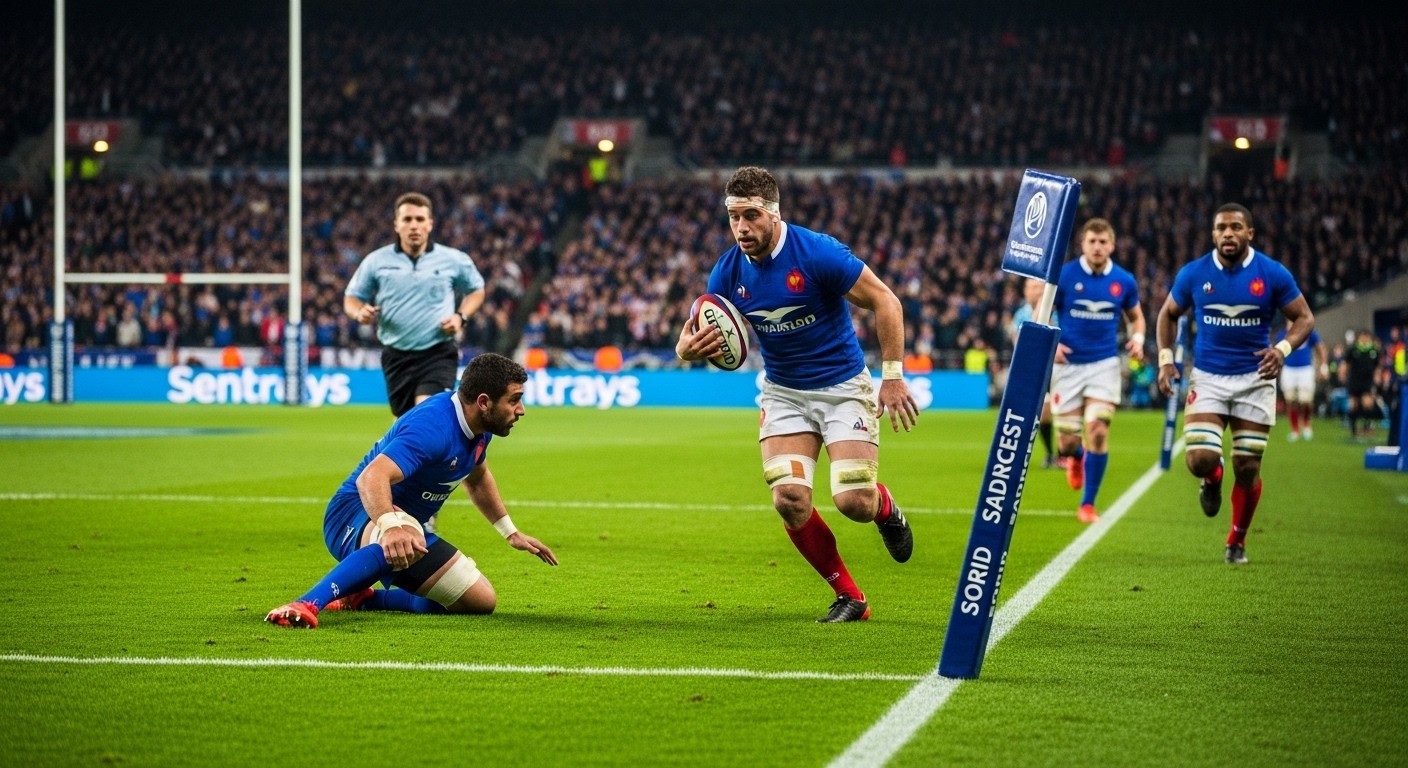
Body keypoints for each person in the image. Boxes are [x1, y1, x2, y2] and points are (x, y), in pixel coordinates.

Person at [675, 166, 919, 624]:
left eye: (751, 216)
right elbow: (712, 336)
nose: (741, 228)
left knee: (853, 502)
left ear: (774, 212)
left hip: (842, 387)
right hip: (783, 392)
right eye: (733, 217)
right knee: (788, 497)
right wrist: (685, 351)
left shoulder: (818, 253)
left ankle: (884, 508)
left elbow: (886, 300)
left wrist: (892, 377)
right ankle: (850, 597)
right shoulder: (727, 272)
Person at [266, 353, 557, 629]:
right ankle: (306, 603)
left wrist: (510, 532)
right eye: (514, 400)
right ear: (483, 402)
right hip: (353, 513)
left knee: (479, 600)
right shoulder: (433, 427)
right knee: (408, 533)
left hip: (404, 524)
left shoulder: (479, 427)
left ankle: (364, 599)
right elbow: (371, 478)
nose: (521, 410)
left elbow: (478, 478)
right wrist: (390, 526)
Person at [1156, 203, 1315, 565]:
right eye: (1221, 228)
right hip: (1209, 377)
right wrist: (1165, 360)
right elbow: (1168, 314)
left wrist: (1282, 349)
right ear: (1213, 234)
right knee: (1199, 459)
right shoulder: (1194, 274)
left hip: (1255, 379)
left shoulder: (1272, 273)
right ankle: (1213, 477)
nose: (1228, 233)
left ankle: (1236, 541)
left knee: (1247, 468)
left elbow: (1304, 318)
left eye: (1236, 227)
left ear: (1250, 233)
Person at [345, 191, 487, 417]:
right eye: (407, 219)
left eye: (420, 219)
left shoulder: (453, 259)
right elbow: (351, 297)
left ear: (430, 224)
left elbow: (476, 290)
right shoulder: (376, 261)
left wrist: (460, 317)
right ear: (396, 224)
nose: (414, 225)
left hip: (437, 352)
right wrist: (359, 312)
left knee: (426, 415)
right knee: (405, 423)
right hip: (396, 355)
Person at [1051, 218, 1146, 524]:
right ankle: (1077, 456)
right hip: (1068, 366)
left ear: (1112, 245)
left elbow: (1136, 317)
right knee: (1066, 443)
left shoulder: (1124, 280)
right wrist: (1051, 342)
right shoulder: (1065, 275)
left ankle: (1088, 504)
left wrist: (1137, 339)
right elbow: (1044, 311)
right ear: (1083, 243)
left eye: (1103, 242)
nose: (1097, 247)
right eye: (1092, 241)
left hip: (1104, 364)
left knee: (1098, 429)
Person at [1011, 276, 1059, 469]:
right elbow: (1018, 341)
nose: (1037, 291)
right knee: (1042, 414)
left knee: (1061, 413)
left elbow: (1054, 334)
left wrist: (1043, 309)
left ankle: (1068, 452)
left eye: (1040, 287)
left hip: (1057, 368)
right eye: (1033, 287)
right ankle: (1050, 454)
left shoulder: (1055, 311)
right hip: (1034, 369)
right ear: (1025, 291)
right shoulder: (1021, 314)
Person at [1275, 326, 1326, 441]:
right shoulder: (1282, 335)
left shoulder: (1308, 332)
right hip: (1289, 369)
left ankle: (1306, 424)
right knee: (1290, 400)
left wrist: (1323, 365)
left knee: (1305, 400)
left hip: (1305, 369)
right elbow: (1277, 351)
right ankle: (1295, 430)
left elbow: (1320, 347)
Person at [1344, 329, 1382, 440]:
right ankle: (1354, 431)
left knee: (1367, 404)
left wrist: (1377, 376)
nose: (1365, 339)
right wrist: (1344, 374)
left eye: (1367, 337)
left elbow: (1378, 366)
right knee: (1353, 405)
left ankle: (1367, 427)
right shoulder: (1353, 350)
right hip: (1354, 380)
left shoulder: (1374, 351)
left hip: (1367, 381)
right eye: (1363, 337)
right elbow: (1346, 363)